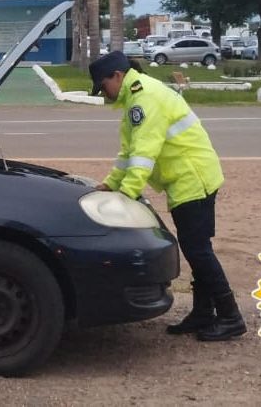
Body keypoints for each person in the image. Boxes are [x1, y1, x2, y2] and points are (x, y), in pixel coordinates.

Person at [88, 50, 246, 342]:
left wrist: (127, 193)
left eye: (103, 86)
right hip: (188, 177)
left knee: (198, 250)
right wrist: (110, 184)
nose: (104, 93)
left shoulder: (144, 98)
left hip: (192, 178)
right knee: (196, 248)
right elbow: (129, 152)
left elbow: (144, 153)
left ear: (118, 76)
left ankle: (230, 315)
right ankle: (203, 313)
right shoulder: (136, 98)